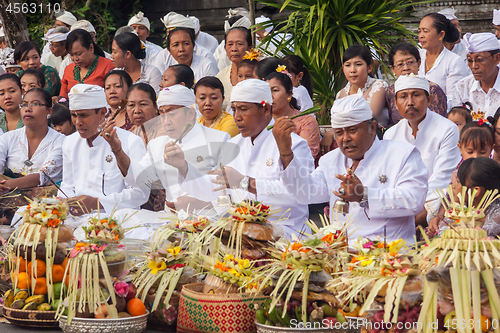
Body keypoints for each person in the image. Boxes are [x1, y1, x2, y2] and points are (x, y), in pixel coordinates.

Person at [273, 93, 428, 243]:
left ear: (372, 128)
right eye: (339, 133)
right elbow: (304, 193)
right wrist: (286, 151)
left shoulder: (402, 155)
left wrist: (364, 195)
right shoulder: (330, 160)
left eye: (352, 130)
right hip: (341, 253)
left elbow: (414, 201)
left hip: (390, 254)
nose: (345, 138)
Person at [179, 79, 315, 238]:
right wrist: (183, 168)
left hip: (285, 235)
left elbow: (300, 192)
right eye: (234, 109)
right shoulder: (232, 145)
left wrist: (245, 183)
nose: (236, 117)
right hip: (240, 235)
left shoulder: (294, 145)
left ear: (265, 109)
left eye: (243, 109)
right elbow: (215, 187)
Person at [105, 84, 230, 214]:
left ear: (191, 114)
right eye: (162, 114)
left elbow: (231, 195)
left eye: (172, 114)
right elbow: (139, 178)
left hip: (211, 221)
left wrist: (197, 204)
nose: (166, 121)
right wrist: (118, 150)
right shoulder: (157, 145)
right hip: (170, 221)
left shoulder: (219, 140)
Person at [60, 84, 149, 219]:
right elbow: (67, 186)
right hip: (75, 219)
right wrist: (62, 203)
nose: (77, 122)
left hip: (118, 219)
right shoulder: (70, 142)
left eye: (84, 115)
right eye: (73, 115)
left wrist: (97, 203)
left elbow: (141, 193)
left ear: (103, 113)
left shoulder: (130, 141)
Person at [384, 74, 461, 227]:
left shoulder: (447, 129)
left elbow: (441, 179)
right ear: (395, 103)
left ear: (430, 99)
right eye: (403, 96)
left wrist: (412, 218)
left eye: (416, 95)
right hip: (401, 204)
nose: (410, 102)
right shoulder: (390, 134)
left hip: (433, 204)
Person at [428, 121, 495, 236]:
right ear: (460, 148)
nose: (475, 157)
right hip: (459, 222)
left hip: (484, 223)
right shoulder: (457, 174)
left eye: (483, 152)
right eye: (470, 151)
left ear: (491, 149)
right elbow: (449, 199)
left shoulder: (492, 172)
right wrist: (439, 216)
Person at [0, 88, 63, 190]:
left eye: (35, 104)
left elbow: (42, 176)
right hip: (7, 197)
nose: (28, 109)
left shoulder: (60, 141)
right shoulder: (8, 138)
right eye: (24, 104)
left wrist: (7, 185)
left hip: (45, 201)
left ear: (49, 111)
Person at [386, 42, 447, 125]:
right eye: (400, 64)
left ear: (418, 64)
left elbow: (440, 122)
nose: (406, 68)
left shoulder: (433, 90)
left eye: (410, 62)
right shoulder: (390, 91)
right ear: (392, 69)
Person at [266, 71, 320, 158]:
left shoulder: (306, 122)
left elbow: (306, 156)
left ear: (289, 94)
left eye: (275, 90)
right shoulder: (260, 121)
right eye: (266, 92)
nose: (270, 96)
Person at [417, 13, 469, 104]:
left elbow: (454, 100)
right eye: (419, 31)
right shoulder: (416, 56)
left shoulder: (454, 61)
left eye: (425, 31)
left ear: (441, 35)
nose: (421, 35)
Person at [336, 45, 389, 127]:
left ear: (369, 67)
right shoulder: (340, 95)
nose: (352, 70)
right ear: (343, 69)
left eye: (358, 64)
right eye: (348, 65)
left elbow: (369, 119)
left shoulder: (379, 86)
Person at [452, 33, 500, 118]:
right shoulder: (462, 87)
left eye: (480, 60)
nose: (474, 66)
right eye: (470, 60)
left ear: (497, 58)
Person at [59, 29, 115, 99]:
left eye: (79, 54)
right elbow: (63, 96)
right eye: (71, 55)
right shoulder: (68, 69)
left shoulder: (108, 66)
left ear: (91, 48)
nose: (75, 59)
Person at [457, 157, 500, 237]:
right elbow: (443, 229)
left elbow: (481, 235)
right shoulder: (460, 209)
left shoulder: (497, 213)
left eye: (459, 182)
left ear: (475, 191)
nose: (454, 186)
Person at [216, 27, 253, 110]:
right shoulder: (220, 77)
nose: (234, 49)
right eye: (230, 44)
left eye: (239, 44)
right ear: (225, 49)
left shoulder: (259, 73)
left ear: (250, 48)